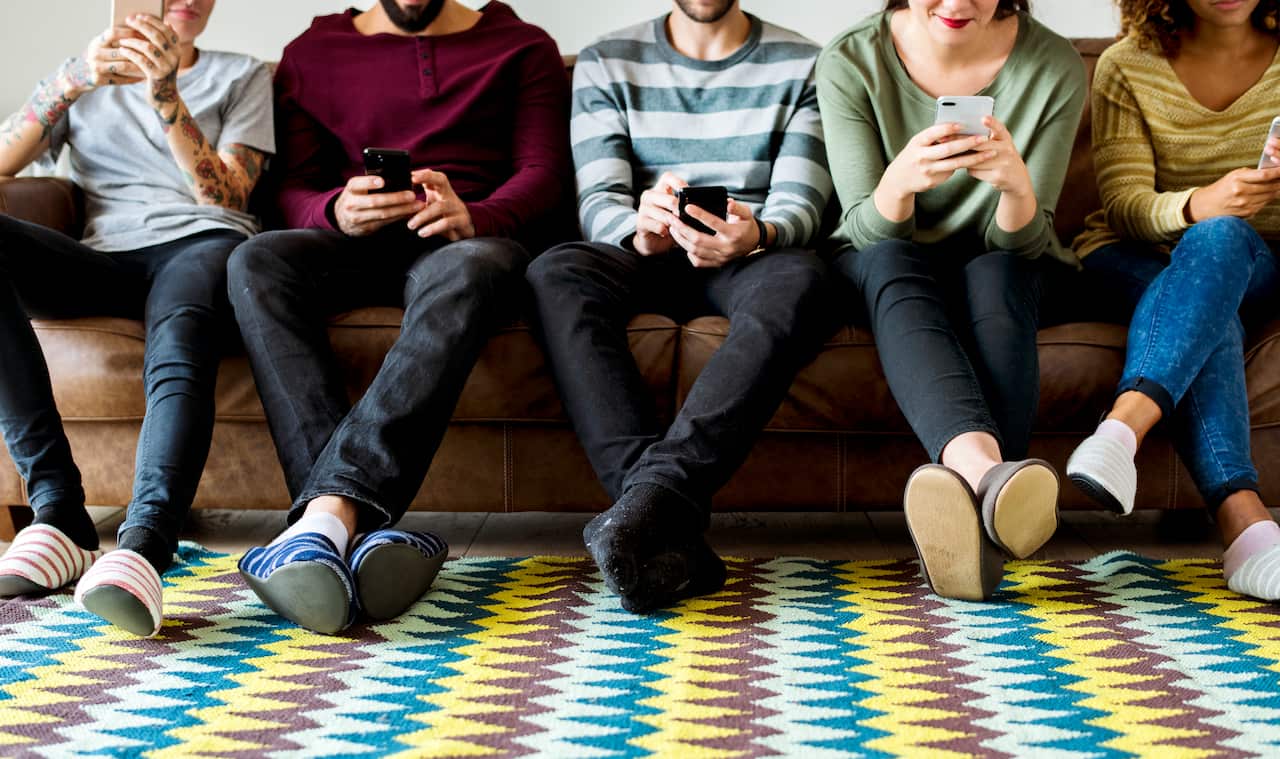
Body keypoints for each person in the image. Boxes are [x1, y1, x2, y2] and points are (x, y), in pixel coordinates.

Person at [228, 0, 571, 633]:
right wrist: (334, 209)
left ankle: (322, 525)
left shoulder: (522, 46)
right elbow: (289, 189)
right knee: (256, 261)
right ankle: (348, 532)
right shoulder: (314, 51)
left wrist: (478, 215)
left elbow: (544, 174)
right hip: (353, 241)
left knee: (469, 268)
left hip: (464, 240)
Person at [527, 0, 835, 613]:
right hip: (643, 249)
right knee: (554, 271)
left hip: (749, 252)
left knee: (804, 278)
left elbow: (803, 201)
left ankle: (648, 505)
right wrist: (638, 229)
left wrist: (760, 233)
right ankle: (657, 521)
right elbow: (599, 198)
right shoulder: (608, 60)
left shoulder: (804, 62)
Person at [0, 0, 272, 637]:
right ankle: (59, 513)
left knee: (180, 339)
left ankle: (145, 543)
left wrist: (165, 92)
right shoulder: (80, 77)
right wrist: (73, 82)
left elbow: (227, 194)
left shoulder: (241, 74)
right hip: (103, 258)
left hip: (202, 243)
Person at [817, 0, 1085, 600]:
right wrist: (900, 182)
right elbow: (864, 231)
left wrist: (1016, 186)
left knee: (996, 272)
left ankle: (977, 525)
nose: (959, 3)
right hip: (890, 255)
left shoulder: (1053, 65)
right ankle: (990, 479)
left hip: (1008, 262)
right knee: (889, 260)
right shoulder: (851, 60)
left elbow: (1024, 240)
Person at [1066, 0, 1280, 601]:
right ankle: (1246, 526)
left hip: (1254, 257)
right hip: (1131, 256)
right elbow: (1125, 203)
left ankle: (1119, 433)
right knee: (1212, 300)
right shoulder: (1127, 65)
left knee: (1221, 248)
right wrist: (1195, 206)